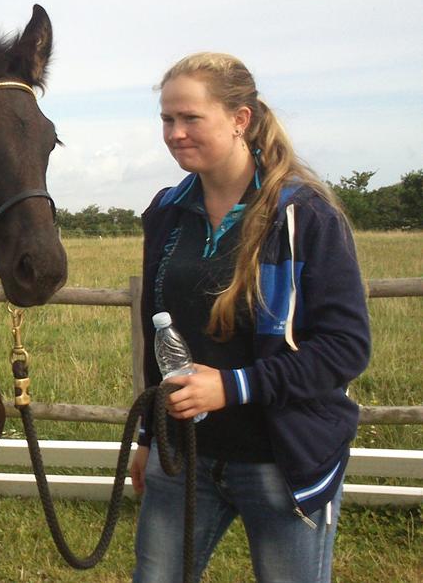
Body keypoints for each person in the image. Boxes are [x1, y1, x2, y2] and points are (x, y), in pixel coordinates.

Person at [129, 52, 370, 582]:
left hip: (280, 461)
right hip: (185, 456)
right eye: (167, 119)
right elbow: (159, 334)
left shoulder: (305, 214)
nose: (174, 132)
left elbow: (346, 347)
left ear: (241, 119)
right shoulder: (167, 212)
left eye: (191, 118)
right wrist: (151, 436)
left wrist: (234, 387)